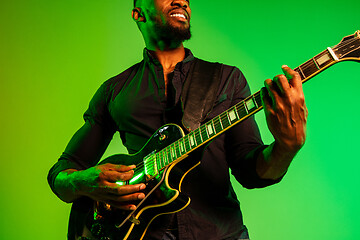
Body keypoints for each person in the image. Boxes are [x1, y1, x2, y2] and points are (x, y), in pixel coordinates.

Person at [48, 0, 308, 239]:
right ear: (138, 13)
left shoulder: (226, 79)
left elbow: (251, 173)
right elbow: (62, 171)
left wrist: (285, 147)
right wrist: (83, 182)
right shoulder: (114, 91)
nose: (181, 0)